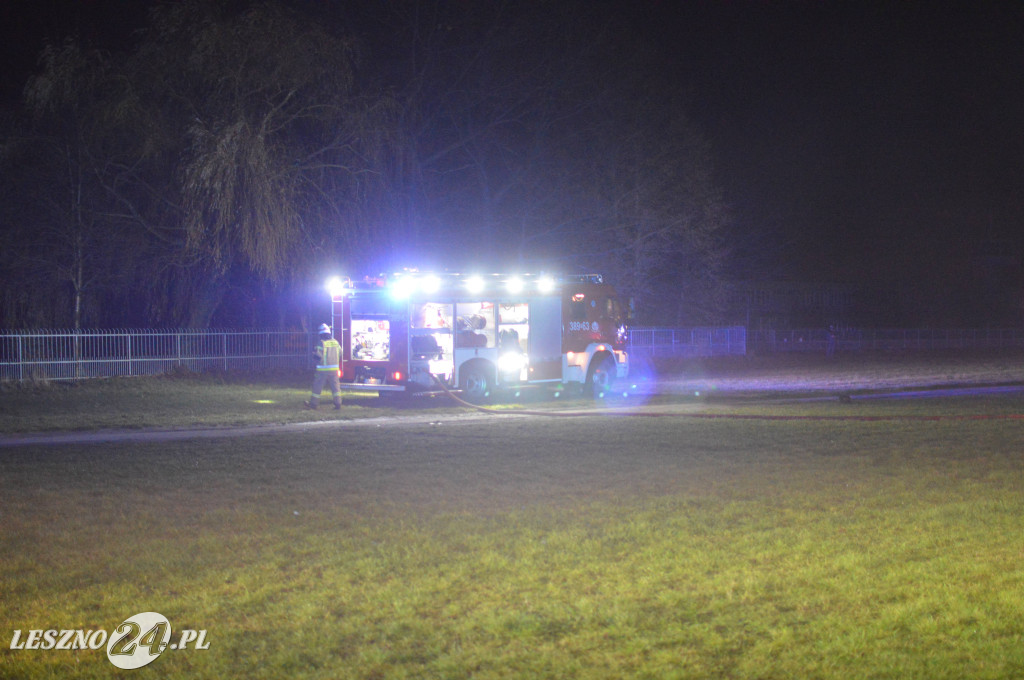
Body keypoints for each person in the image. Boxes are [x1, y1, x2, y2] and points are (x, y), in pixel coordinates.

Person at [305, 323, 341, 410]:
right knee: (335, 387)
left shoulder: (321, 343)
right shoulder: (336, 342)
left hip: (323, 370)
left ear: (321, 334)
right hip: (334, 369)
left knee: (317, 386)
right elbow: (340, 353)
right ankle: (338, 403)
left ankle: (313, 404)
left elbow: (318, 356)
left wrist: (314, 354)